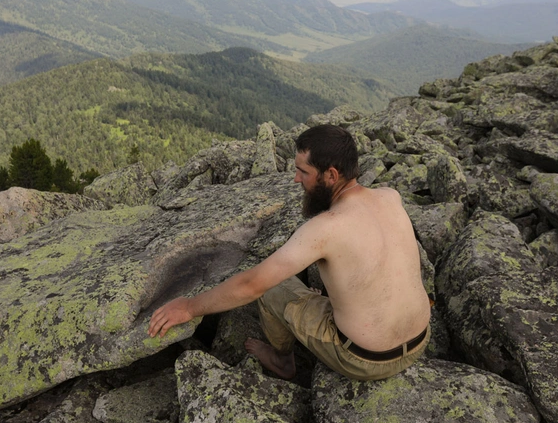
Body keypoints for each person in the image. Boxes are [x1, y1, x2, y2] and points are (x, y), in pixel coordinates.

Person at [148, 124, 431, 381]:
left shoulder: (325, 229)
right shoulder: (389, 197)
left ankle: (283, 360)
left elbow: (251, 285)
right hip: (420, 341)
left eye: (303, 171)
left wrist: (188, 307)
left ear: (331, 175)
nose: (296, 179)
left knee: (275, 287)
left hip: (365, 360)